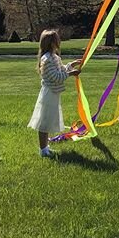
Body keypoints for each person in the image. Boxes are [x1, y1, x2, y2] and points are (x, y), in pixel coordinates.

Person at [28, 29, 81, 158]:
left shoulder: (54, 57)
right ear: (52, 43)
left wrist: (71, 65)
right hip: (48, 94)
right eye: (57, 39)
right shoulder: (47, 59)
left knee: (48, 121)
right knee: (44, 122)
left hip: (53, 93)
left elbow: (60, 69)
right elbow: (56, 76)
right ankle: (43, 150)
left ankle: (45, 148)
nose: (59, 41)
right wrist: (70, 74)